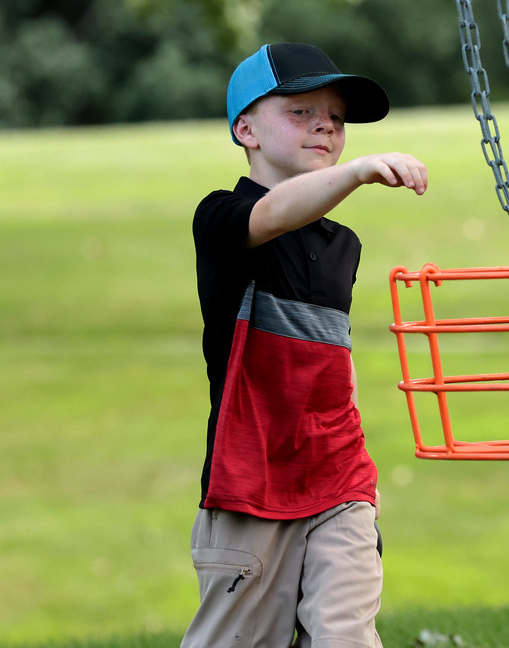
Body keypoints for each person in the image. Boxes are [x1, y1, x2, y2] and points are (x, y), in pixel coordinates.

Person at [182, 42, 428, 647]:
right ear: (246, 129)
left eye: (336, 118)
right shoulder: (220, 217)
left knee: (346, 634)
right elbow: (269, 216)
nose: (326, 125)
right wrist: (356, 170)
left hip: (338, 476)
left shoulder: (342, 243)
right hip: (251, 482)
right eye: (300, 111)